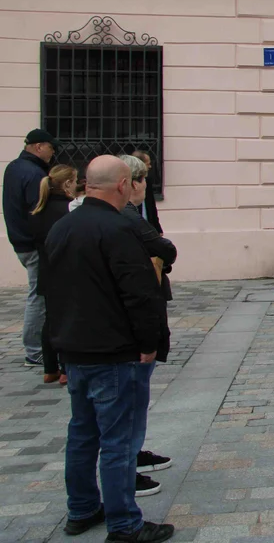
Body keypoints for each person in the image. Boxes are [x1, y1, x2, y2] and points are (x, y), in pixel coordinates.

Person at [44, 155, 174, 543]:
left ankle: (81, 508)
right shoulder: (120, 229)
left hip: (75, 349)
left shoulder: (61, 227)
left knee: (82, 433)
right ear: (122, 185)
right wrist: (149, 344)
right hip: (114, 352)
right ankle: (124, 524)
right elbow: (139, 294)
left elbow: (50, 294)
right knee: (117, 441)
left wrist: (56, 352)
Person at [119, 155, 176, 496]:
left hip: (85, 338)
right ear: (132, 184)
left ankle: (85, 501)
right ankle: (127, 476)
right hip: (125, 334)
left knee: (88, 424)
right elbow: (162, 248)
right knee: (128, 403)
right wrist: (149, 341)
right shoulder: (124, 221)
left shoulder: (75, 219)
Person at [3, 128, 58, 366]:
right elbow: (39, 211)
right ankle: (35, 351)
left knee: (38, 293)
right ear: (38, 147)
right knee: (39, 295)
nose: (52, 153)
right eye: (50, 148)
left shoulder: (14, 167)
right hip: (33, 243)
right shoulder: (34, 173)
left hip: (20, 240)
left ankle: (36, 348)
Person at [29, 164, 78, 385]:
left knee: (50, 320)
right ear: (67, 183)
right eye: (75, 180)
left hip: (47, 272)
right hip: (66, 271)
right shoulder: (69, 209)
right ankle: (66, 368)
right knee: (69, 319)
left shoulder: (38, 209)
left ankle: (50, 368)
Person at [132, 151, 162, 234]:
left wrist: (157, 228)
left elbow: (151, 205)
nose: (150, 166)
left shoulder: (148, 181)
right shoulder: (128, 183)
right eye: (147, 163)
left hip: (148, 225)